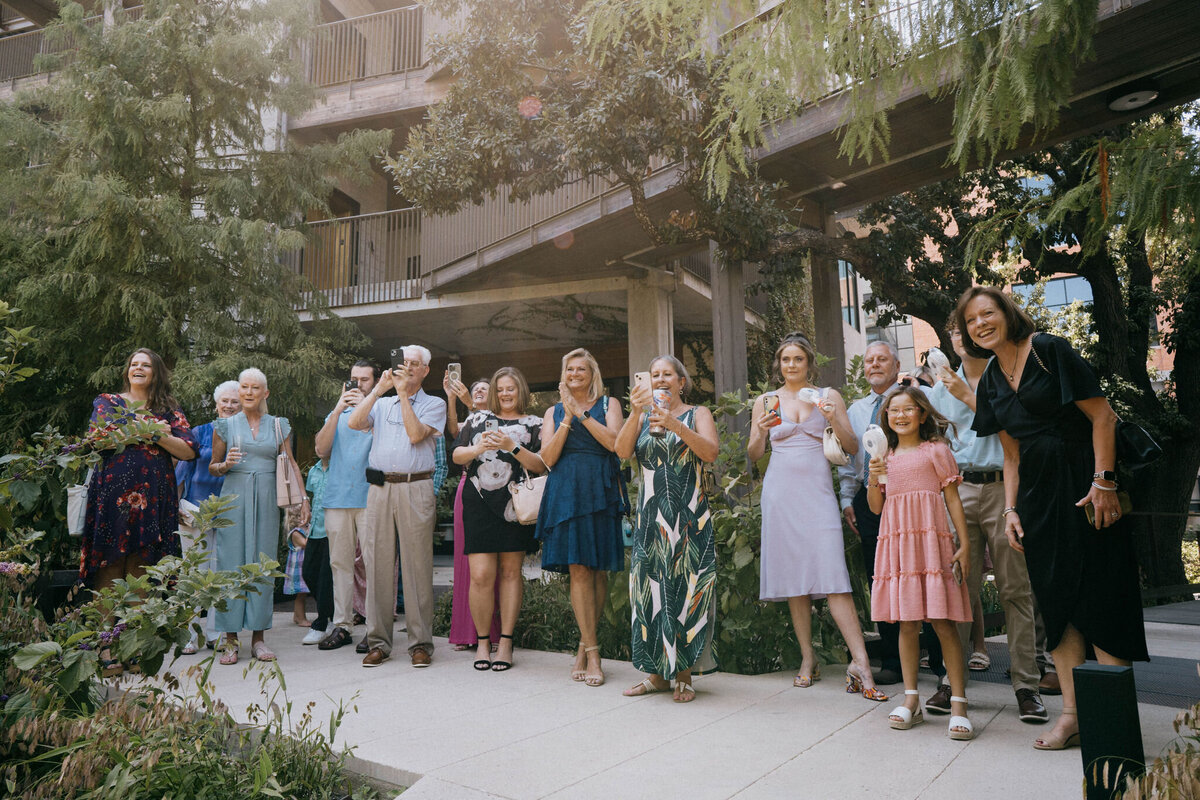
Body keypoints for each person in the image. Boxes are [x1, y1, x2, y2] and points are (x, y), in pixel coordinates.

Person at [955, 285, 1149, 750]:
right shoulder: (992, 383)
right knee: (1057, 604)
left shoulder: (1048, 350)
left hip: (1085, 487)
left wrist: (1103, 482)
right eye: (971, 321)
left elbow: (1103, 417)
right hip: (1038, 502)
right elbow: (1011, 456)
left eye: (988, 314)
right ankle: (1073, 716)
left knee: (1102, 596)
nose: (981, 324)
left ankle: (1115, 720)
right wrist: (1010, 511)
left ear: (1006, 312)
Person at [747, 333, 886, 702]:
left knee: (834, 576)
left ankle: (861, 662)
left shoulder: (828, 395)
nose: (791, 365)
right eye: (785, 359)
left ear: (809, 363)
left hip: (818, 494)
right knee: (796, 580)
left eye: (798, 359)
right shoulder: (766, 401)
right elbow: (754, 452)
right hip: (780, 494)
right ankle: (808, 658)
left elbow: (853, 447)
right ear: (779, 363)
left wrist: (830, 417)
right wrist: (760, 432)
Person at [923, 323, 1047, 724]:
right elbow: (934, 441)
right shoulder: (941, 386)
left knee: (1015, 590)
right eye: (955, 332)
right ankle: (950, 682)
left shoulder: (1005, 374)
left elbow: (1022, 429)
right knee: (958, 589)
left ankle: (1026, 685)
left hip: (1002, 489)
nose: (961, 338)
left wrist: (971, 398)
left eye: (967, 331)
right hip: (959, 492)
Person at [82, 348, 197, 676]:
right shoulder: (108, 402)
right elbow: (97, 439)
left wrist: (154, 434)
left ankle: (133, 647)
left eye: (146, 365)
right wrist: (149, 433)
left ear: (156, 372)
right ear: (127, 370)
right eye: (134, 364)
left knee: (142, 572)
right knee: (110, 568)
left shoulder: (169, 409)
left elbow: (188, 450)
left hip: (154, 500)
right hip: (112, 498)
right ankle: (105, 648)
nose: (139, 368)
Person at [867, 386, 974, 739]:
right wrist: (872, 476)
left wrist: (965, 543)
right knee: (907, 624)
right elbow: (876, 507)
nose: (900, 416)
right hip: (898, 545)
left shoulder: (937, 451)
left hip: (931, 543)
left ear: (923, 414)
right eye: (893, 411)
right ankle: (911, 698)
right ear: (886, 418)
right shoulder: (887, 457)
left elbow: (953, 499)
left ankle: (958, 703)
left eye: (908, 409)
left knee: (943, 624)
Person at [616, 355, 718, 703]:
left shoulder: (696, 413)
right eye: (654, 374)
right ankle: (657, 675)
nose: (660, 379)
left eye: (667, 375)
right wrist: (634, 413)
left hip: (688, 517)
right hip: (650, 519)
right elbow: (621, 451)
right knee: (650, 592)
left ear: (680, 382)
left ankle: (685, 675)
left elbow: (710, 452)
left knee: (686, 590)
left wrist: (675, 424)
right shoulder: (642, 416)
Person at [348, 345, 447, 668]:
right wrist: (379, 388)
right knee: (376, 564)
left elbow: (416, 435)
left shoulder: (434, 403)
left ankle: (420, 643)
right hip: (379, 488)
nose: (408, 369)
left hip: (415, 485)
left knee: (417, 566)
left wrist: (404, 395)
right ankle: (378, 641)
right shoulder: (383, 400)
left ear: (425, 370)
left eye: (415, 365)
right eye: (404, 364)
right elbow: (354, 422)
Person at [536, 348, 626, 687]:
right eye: (569, 369)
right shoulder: (553, 411)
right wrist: (567, 418)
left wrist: (584, 415)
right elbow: (547, 457)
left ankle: (584, 644)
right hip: (566, 493)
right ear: (564, 374)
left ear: (592, 373)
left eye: (581, 369)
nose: (575, 374)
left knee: (597, 570)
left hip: (599, 492)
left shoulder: (609, 404)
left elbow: (616, 444)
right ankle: (593, 652)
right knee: (578, 568)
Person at [209, 367, 309, 665]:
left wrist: (303, 499)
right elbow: (213, 466)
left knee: (263, 565)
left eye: (255, 388)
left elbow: (290, 463)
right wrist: (225, 464)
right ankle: (229, 640)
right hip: (233, 499)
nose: (248, 392)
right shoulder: (225, 426)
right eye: (244, 387)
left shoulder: (279, 425)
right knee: (231, 565)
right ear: (238, 391)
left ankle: (258, 639)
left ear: (265, 393)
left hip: (267, 499)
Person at [452, 367, 545, 671]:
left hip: (514, 505)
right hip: (478, 502)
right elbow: (457, 455)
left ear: (521, 391)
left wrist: (511, 446)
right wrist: (478, 447)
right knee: (480, 576)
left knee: (510, 573)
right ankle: (482, 642)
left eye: (511, 389)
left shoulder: (535, 424)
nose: (505, 394)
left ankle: (505, 642)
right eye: (501, 389)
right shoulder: (477, 419)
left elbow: (541, 465)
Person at [837, 340, 904, 684]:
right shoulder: (857, 409)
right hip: (868, 501)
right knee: (879, 577)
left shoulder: (912, 398)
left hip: (908, 496)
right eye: (869, 361)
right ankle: (893, 661)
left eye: (882, 359)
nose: (875, 365)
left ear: (896, 363)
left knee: (917, 571)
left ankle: (939, 664)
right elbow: (850, 462)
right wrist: (848, 501)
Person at [314, 361, 376, 652]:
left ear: (374, 384)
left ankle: (375, 629)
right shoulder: (335, 413)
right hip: (337, 497)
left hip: (370, 497)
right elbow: (320, 449)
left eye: (364, 380)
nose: (358, 384)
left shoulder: (380, 412)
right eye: (354, 379)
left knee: (375, 565)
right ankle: (342, 626)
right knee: (339, 564)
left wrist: (366, 406)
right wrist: (338, 409)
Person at [175, 379, 239, 653]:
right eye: (224, 400)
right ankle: (191, 635)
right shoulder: (199, 432)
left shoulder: (244, 434)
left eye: (234, 401)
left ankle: (213, 634)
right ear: (216, 404)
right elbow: (182, 469)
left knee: (219, 573)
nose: (229, 405)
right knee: (193, 572)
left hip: (227, 511)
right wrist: (175, 504)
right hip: (194, 510)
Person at [446, 377, 502, 651]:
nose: (478, 391)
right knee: (466, 562)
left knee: (495, 567)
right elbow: (454, 436)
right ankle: (466, 632)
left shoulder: (497, 418)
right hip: (468, 489)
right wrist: (451, 398)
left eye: (484, 389)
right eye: (475, 388)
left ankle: (494, 633)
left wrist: (469, 401)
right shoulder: (469, 423)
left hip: (496, 492)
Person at [299, 459, 335, 645]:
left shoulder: (339, 467)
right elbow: (312, 498)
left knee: (326, 579)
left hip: (333, 530)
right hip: (315, 530)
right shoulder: (313, 470)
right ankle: (332, 615)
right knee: (308, 572)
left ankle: (322, 623)